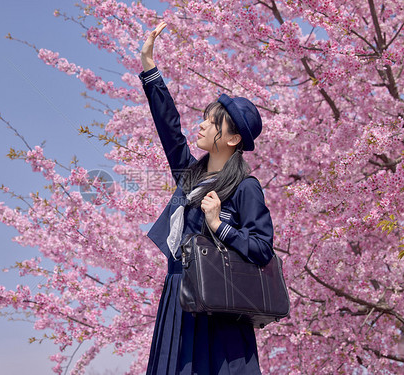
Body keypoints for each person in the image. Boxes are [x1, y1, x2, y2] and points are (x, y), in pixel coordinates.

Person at [140, 22, 275, 374]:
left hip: (219, 309)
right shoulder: (190, 176)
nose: (200, 126)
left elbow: (262, 248)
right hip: (180, 297)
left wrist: (218, 225)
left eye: (211, 122)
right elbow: (170, 131)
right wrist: (150, 67)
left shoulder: (246, 187)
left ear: (232, 139)